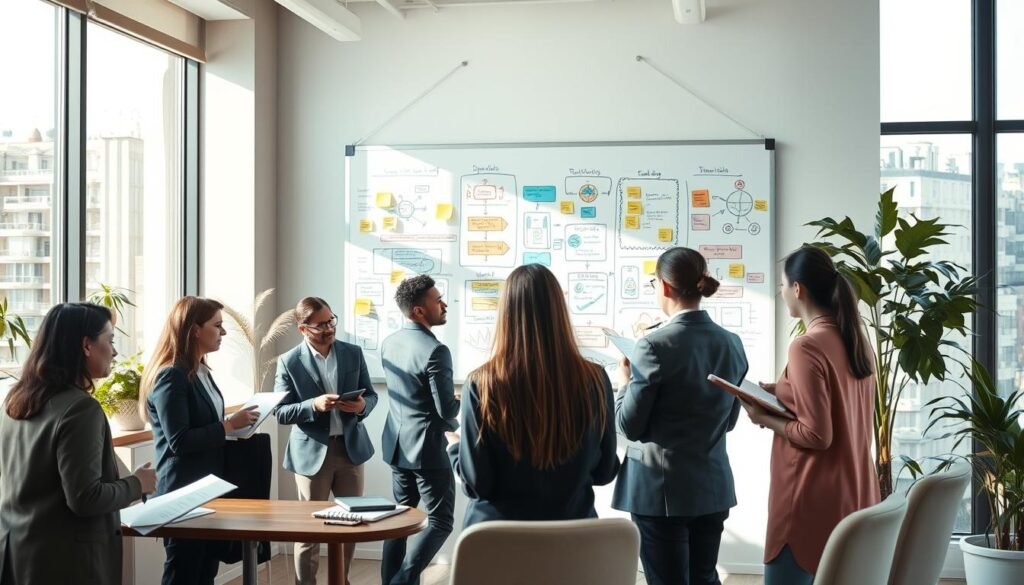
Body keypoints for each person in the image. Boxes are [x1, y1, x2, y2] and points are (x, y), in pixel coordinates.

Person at [741, 246, 879, 585]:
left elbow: (818, 435)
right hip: (855, 493)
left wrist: (764, 418)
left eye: (782, 285)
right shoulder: (856, 343)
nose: (782, 293)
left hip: (807, 499)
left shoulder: (806, 346)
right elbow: (838, 402)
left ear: (798, 289)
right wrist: (783, 390)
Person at [613, 247, 749, 585]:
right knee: (704, 579)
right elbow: (729, 421)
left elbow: (628, 425)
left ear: (665, 286)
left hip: (661, 494)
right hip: (712, 488)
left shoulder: (652, 346)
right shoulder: (732, 343)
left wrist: (624, 382)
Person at [447, 264, 619, 527]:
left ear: (505, 313)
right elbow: (605, 472)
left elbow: (477, 485)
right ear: (559, 310)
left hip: (496, 542)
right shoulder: (595, 379)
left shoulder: (481, 383)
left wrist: (455, 447)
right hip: (572, 541)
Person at [0, 302, 157, 585]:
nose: (115, 350)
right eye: (110, 340)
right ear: (87, 345)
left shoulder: (14, 402)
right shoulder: (80, 409)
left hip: (17, 555)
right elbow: (85, 498)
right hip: (67, 563)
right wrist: (138, 484)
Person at [140, 296, 259, 585]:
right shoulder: (172, 376)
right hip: (183, 493)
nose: (224, 332)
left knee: (205, 572)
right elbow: (179, 440)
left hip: (208, 489)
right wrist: (228, 426)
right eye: (217, 326)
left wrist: (233, 428)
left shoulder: (202, 372)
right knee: (184, 572)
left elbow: (206, 427)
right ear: (194, 329)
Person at [275, 296, 377, 585]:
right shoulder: (289, 362)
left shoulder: (352, 353)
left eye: (331, 320)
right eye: (321, 324)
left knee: (352, 524)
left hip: (351, 450)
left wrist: (361, 407)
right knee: (310, 530)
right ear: (303, 328)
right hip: (311, 455)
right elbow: (281, 413)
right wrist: (313, 405)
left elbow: (371, 395)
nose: (329, 328)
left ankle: (340, 580)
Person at [379, 275, 459, 585]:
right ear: (418, 310)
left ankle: (389, 582)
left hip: (397, 445)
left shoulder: (389, 342)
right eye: (437, 300)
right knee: (440, 521)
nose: (444, 304)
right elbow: (445, 411)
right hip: (427, 450)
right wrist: (460, 403)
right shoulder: (436, 350)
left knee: (398, 519)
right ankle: (403, 581)